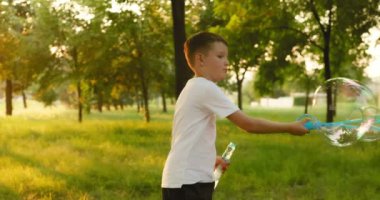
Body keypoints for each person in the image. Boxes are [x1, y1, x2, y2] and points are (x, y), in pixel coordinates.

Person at [161, 31, 309, 200]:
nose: (227, 62)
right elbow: (248, 124)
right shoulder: (205, 87)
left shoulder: (192, 87)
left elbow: (187, 137)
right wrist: (290, 127)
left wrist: (209, 159)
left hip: (182, 179)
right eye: (220, 56)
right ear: (200, 59)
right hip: (189, 183)